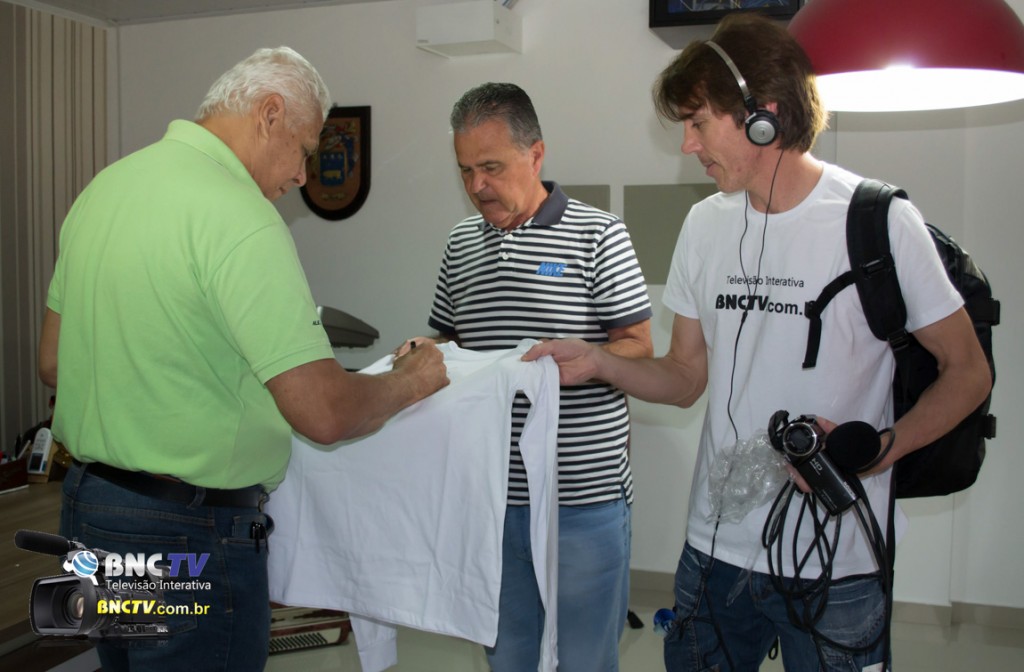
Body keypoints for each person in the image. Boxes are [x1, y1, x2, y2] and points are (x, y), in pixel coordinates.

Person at [524, 14, 992, 672]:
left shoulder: (880, 221)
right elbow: (685, 377)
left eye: (698, 122)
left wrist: (880, 451)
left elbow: (967, 372)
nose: (687, 145)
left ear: (762, 115)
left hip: (836, 560)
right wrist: (599, 361)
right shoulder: (704, 225)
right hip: (714, 554)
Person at [37, 46, 448, 672]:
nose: (303, 176)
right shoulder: (240, 215)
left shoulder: (105, 188)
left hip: (93, 513)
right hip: (184, 532)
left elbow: (53, 363)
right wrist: (410, 380)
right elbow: (324, 414)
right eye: (304, 150)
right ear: (269, 114)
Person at [401, 82, 654, 671]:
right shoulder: (460, 243)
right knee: (509, 656)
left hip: (581, 500)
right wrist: (422, 350)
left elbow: (640, 348)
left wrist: (589, 360)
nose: (476, 186)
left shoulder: (599, 234)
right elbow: (451, 340)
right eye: (465, 170)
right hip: (488, 497)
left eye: (490, 167)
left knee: (583, 659)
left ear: (535, 155)